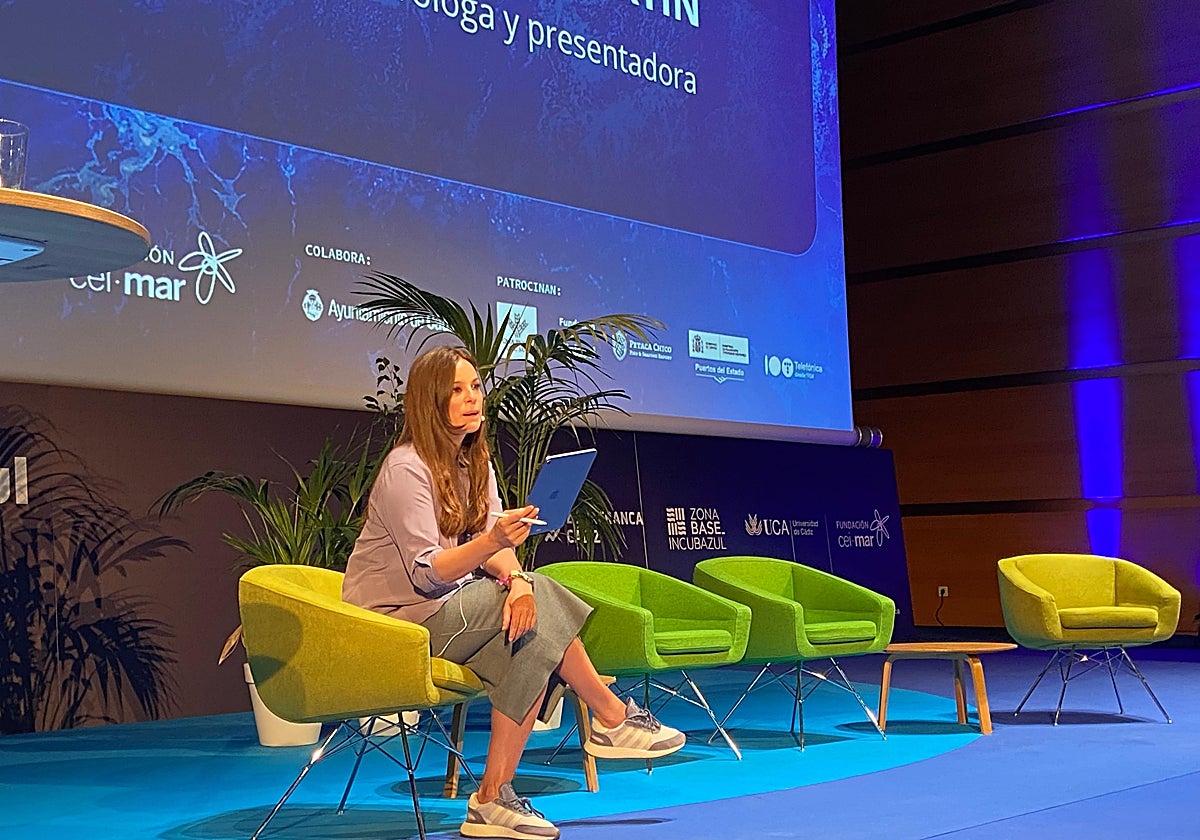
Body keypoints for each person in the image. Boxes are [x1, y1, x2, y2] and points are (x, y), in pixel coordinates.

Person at [343, 344, 684, 840]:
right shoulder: (405, 469)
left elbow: (493, 542)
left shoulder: (473, 463)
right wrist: (494, 545)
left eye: (475, 387)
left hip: (447, 606)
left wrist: (518, 581)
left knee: (530, 640)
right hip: (398, 622)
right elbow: (429, 573)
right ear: (429, 402)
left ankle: (491, 799)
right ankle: (611, 715)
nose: (472, 398)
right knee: (538, 608)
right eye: (456, 390)